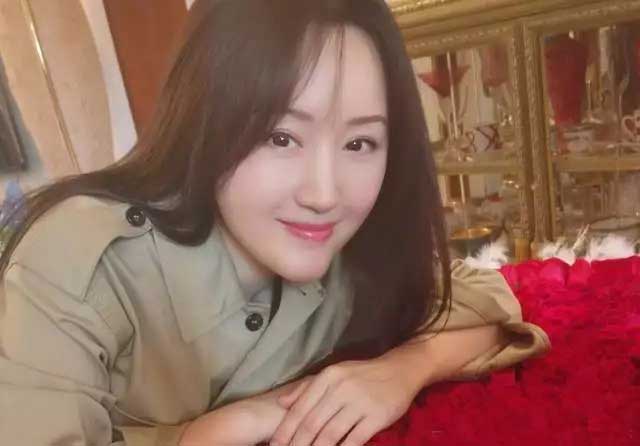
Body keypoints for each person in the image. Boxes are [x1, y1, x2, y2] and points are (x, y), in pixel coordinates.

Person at [0, 0, 550, 445]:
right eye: (280, 137)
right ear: (205, 119)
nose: (324, 195)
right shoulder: (83, 257)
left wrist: (401, 371)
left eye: (360, 143)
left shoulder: (354, 261)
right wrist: (196, 437)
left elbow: (486, 301)